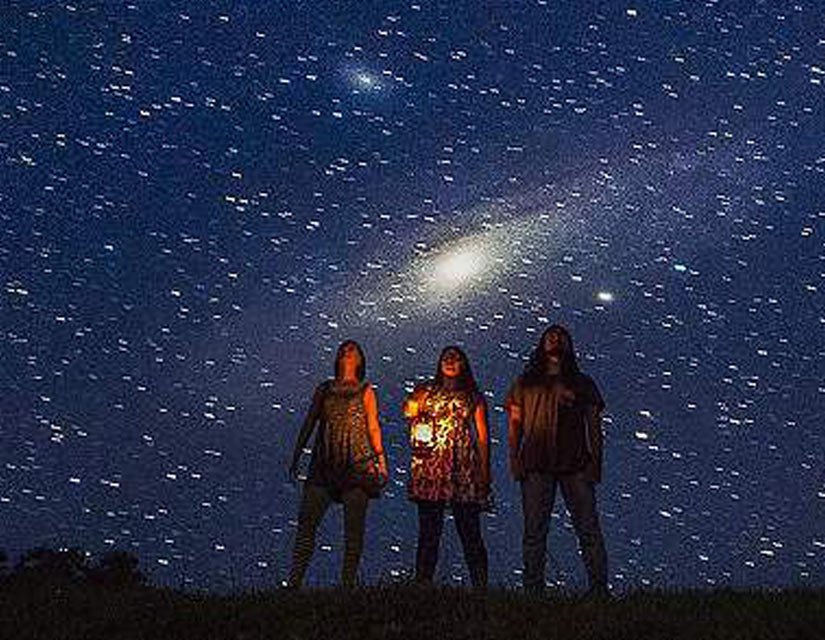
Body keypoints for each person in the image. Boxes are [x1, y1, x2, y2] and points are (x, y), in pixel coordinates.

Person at [506, 325, 608, 596]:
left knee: (588, 528)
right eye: (550, 335)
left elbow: (594, 426)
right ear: (541, 344)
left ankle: (599, 589)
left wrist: (596, 462)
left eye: (561, 336)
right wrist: (514, 458)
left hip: (575, 462)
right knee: (534, 531)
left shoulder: (582, 383)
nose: (555, 339)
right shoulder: (525, 382)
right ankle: (532, 591)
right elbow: (514, 423)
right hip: (536, 462)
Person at [287, 340, 388, 587]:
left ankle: (347, 585)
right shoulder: (324, 389)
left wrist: (381, 461)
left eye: (353, 348)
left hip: (357, 461)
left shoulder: (365, 390)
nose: (347, 350)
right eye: (344, 348)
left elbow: (373, 426)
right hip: (325, 459)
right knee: (306, 523)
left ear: (361, 359)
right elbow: (310, 421)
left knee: (353, 530)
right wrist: (298, 453)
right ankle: (294, 582)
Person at [404, 346, 491, 587]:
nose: (451, 361)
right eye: (446, 357)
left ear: (464, 364)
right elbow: (408, 412)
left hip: (462, 466)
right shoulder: (427, 392)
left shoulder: (472, 396)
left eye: (456, 358)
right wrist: (416, 398)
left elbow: (482, 437)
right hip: (431, 466)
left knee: (470, 530)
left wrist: (485, 473)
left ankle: (480, 586)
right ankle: (422, 584)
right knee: (429, 531)